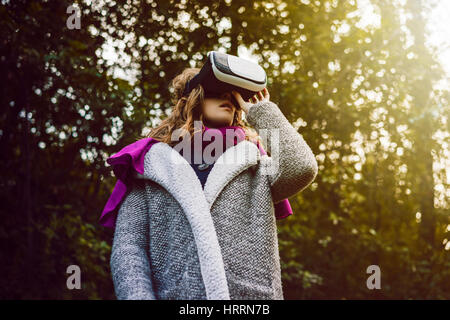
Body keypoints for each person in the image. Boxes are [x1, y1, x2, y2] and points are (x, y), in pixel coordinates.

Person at [108, 67, 318, 300]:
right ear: (192, 98)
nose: (228, 97)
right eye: (217, 90)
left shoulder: (255, 165)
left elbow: (302, 167)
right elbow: (129, 250)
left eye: (234, 94)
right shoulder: (149, 167)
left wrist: (261, 111)